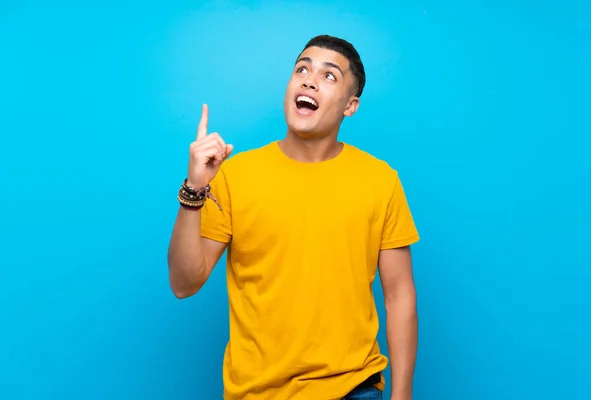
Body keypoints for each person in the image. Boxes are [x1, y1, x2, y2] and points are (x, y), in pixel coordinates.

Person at [167, 34, 420, 400]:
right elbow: (183, 283)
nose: (309, 79)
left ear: (350, 106)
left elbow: (399, 295)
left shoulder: (380, 180)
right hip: (256, 392)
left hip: (352, 388)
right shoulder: (236, 176)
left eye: (329, 75)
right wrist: (194, 190)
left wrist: (404, 395)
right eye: (302, 68)